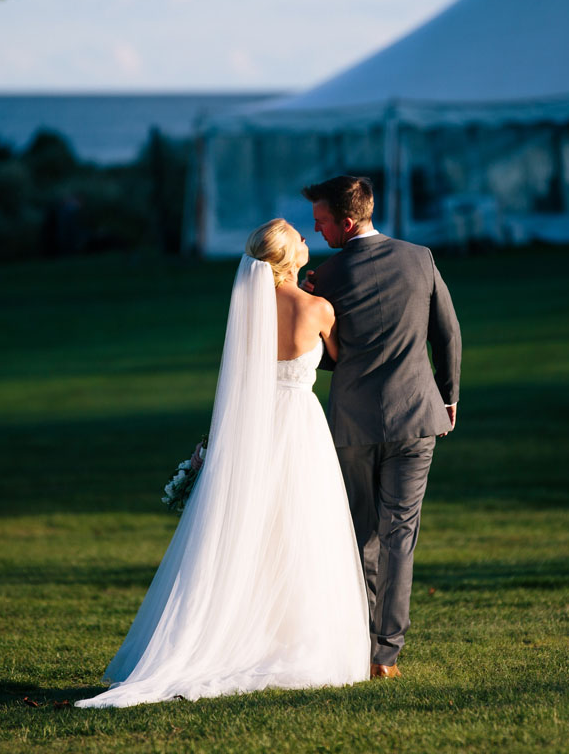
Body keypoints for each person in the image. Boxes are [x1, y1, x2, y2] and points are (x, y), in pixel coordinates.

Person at [75, 218, 369, 708]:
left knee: (245, 532)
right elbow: (339, 357)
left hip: (250, 428)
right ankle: (293, 638)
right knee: (299, 530)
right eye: (299, 237)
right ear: (289, 258)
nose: (305, 240)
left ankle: (236, 631)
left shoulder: (247, 310)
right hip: (298, 426)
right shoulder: (318, 308)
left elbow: (239, 376)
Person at [300, 175, 462, 679]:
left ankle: (362, 643)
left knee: (362, 534)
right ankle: (384, 655)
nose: (318, 230)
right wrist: (449, 395)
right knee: (400, 536)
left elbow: (323, 358)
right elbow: (448, 332)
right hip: (418, 415)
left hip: (352, 423)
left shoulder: (324, 278)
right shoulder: (421, 258)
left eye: (322, 222)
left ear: (346, 223)